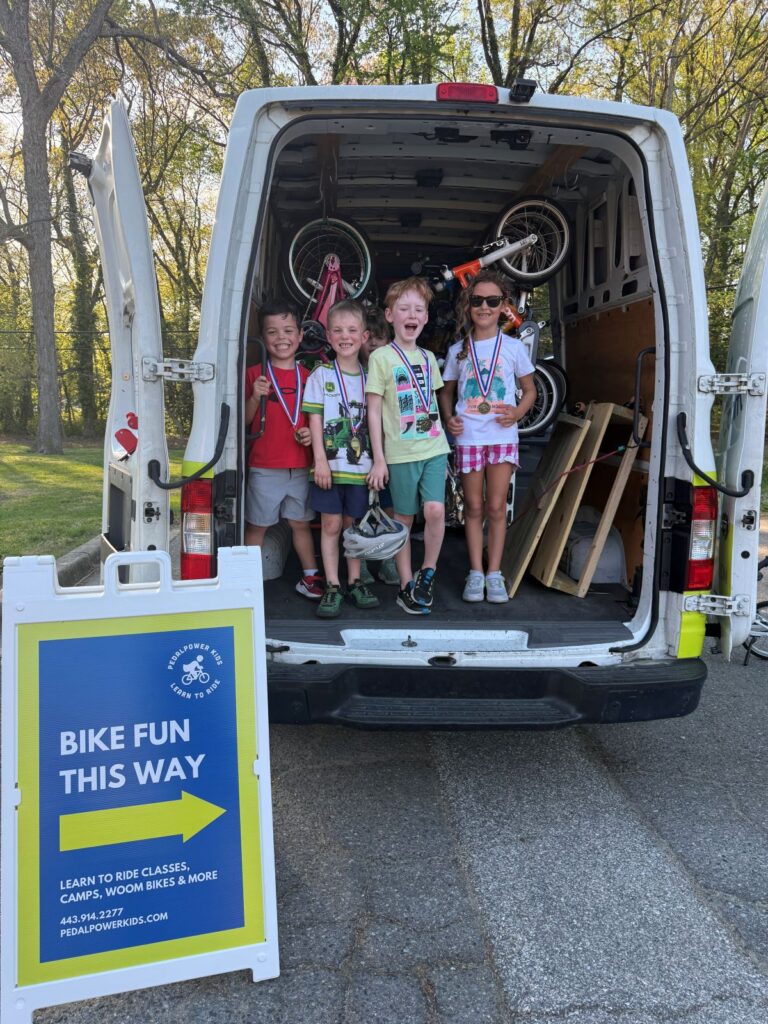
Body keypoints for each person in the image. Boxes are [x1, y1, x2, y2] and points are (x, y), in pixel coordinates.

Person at [439, 270, 537, 603]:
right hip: (469, 437)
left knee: (496, 507)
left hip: (502, 437)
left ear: (503, 306)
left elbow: (530, 390)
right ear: (468, 305)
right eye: (477, 300)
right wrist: (449, 418)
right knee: (473, 507)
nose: (484, 307)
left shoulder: (513, 347)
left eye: (492, 301)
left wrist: (518, 413)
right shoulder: (459, 350)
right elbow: (446, 392)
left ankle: (494, 573)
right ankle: (475, 572)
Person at [366, 277, 450, 615]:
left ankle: (427, 572)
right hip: (400, 454)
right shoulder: (381, 358)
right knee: (404, 518)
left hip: (434, 448)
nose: (411, 315)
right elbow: (373, 411)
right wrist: (379, 459)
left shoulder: (429, 358)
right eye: (404, 309)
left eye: (418, 309)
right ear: (390, 316)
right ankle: (406, 585)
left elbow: (432, 402)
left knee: (435, 511)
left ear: (426, 318)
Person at [302, 300, 381, 619]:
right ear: (328, 336)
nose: (345, 336)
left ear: (364, 336)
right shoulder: (320, 375)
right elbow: (315, 421)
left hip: (361, 470)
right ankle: (333, 585)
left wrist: (379, 463)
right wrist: (319, 461)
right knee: (331, 524)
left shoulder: (372, 378)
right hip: (330, 469)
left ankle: (355, 581)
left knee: (354, 527)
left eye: (351, 330)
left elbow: (378, 423)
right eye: (337, 330)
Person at [244, 299, 323, 599]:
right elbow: (244, 422)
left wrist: (310, 434)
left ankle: (311, 577)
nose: (281, 338)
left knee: (300, 524)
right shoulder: (254, 375)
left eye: (288, 331)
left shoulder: (310, 377)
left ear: (300, 335)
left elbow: (316, 422)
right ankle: (246, 584)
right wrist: (255, 397)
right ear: (262, 337)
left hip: (299, 466)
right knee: (258, 526)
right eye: (272, 332)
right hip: (264, 466)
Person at [357, 308, 399, 587]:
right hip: (359, 452)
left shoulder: (394, 371)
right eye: (368, 336)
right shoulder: (352, 371)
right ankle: (359, 560)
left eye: (380, 337)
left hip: (390, 449)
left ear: (389, 341)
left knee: (390, 506)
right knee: (359, 507)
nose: (373, 343)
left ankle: (388, 560)